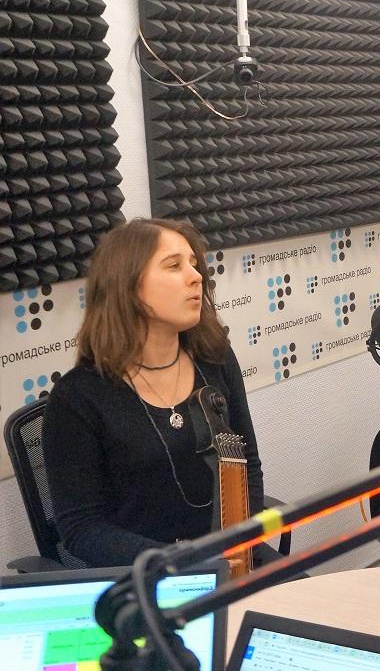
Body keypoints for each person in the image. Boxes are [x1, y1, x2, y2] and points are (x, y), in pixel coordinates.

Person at [43, 218, 267, 568]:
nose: (196, 276)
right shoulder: (77, 399)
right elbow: (82, 529)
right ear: (128, 286)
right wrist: (180, 565)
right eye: (174, 266)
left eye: (193, 264)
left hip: (231, 560)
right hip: (147, 576)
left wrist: (240, 548)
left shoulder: (216, 358)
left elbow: (247, 464)